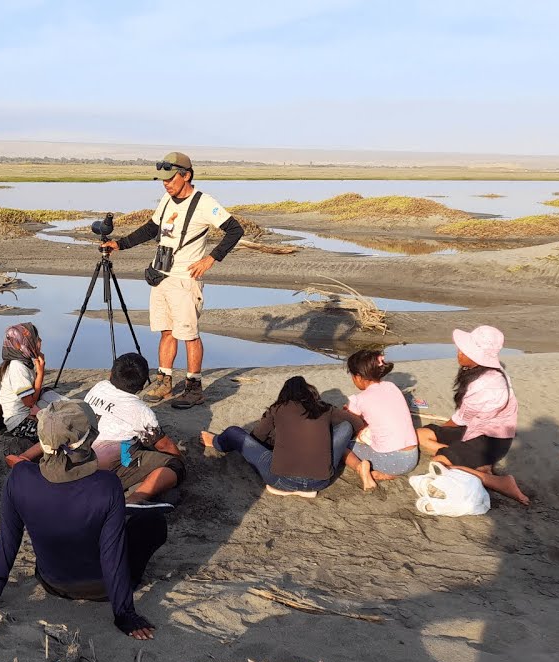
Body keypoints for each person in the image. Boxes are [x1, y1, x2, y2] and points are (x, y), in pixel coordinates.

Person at [0, 400, 163, 640]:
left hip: (51, 582)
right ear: (89, 438)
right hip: (102, 588)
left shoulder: (20, 478)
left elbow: (7, 541)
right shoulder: (107, 486)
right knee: (153, 522)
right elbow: (112, 554)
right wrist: (124, 614)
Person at [100, 152, 245, 408]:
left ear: (186, 175)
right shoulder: (167, 200)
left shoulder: (204, 202)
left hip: (185, 281)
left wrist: (210, 259)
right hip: (161, 277)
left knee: (188, 334)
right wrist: (120, 244)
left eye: (170, 178)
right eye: (163, 179)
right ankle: (164, 381)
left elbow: (235, 230)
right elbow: (150, 229)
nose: (165, 183)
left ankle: (194, 387)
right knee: (167, 332)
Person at [416, 326, 529, 506]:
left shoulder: (489, 384)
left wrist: (445, 432)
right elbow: (464, 418)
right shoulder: (475, 371)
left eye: (464, 350)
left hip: (491, 439)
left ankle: (499, 482)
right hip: (473, 428)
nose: (459, 353)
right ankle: (467, 457)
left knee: (439, 464)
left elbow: (461, 419)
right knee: (420, 435)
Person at [201, 376, 362, 498]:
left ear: (284, 394)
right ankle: (306, 488)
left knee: (234, 432)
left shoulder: (278, 408)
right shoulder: (325, 408)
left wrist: (277, 438)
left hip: (281, 480)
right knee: (346, 426)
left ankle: (216, 442)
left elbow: (257, 437)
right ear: (312, 394)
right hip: (320, 481)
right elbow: (356, 423)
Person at [84, 352, 185, 505]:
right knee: (174, 466)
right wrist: (180, 458)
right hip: (106, 463)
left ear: (111, 373)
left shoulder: (99, 387)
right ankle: (135, 498)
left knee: (136, 443)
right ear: (143, 385)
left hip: (82, 452)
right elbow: (164, 445)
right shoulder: (140, 410)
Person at [341, 350, 420, 492]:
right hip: (412, 457)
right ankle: (385, 474)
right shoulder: (392, 387)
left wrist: (346, 413)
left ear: (358, 377)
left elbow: (350, 426)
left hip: (391, 460)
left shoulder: (358, 399)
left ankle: (360, 468)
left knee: (342, 446)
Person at [0, 322, 62, 466]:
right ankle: (22, 457)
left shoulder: (24, 362)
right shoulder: (18, 368)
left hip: (28, 412)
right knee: (57, 433)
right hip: (18, 422)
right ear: (24, 344)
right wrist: (40, 373)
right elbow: (30, 403)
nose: (40, 342)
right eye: (36, 339)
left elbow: (32, 397)